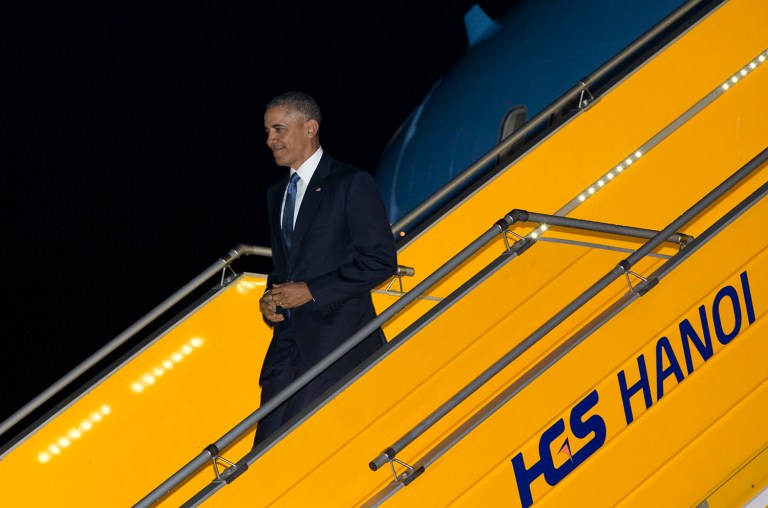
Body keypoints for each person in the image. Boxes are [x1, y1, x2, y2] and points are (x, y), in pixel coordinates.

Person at [253, 91, 397, 447]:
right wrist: (271, 297)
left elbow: (381, 260)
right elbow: (286, 266)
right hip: (287, 349)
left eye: (279, 129)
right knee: (266, 450)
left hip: (338, 343)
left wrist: (312, 291)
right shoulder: (277, 194)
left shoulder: (350, 183)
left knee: (308, 449)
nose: (270, 140)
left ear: (310, 128)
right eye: (268, 131)